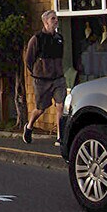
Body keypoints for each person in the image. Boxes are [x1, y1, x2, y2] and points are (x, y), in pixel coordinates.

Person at [23, 10, 66, 146]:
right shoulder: (37, 39)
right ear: (45, 22)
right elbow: (29, 60)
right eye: (53, 19)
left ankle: (60, 136)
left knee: (60, 105)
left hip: (58, 79)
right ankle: (29, 126)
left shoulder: (59, 38)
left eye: (56, 18)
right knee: (41, 108)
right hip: (42, 80)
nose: (56, 21)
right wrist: (38, 72)